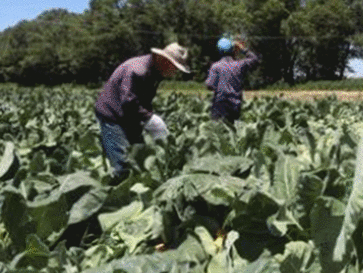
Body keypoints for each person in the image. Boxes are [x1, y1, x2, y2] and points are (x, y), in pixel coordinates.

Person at [94, 43, 190, 182]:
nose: (174, 72)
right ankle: (115, 195)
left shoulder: (154, 71)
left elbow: (143, 99)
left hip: (128, 116)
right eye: (174, 67)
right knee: (123, 165)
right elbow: (128, 101)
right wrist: (150, 118)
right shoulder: (138, 70)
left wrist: (148, 118)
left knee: (137, 158)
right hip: (112, 116)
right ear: (164, 60)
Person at [204, 35, 258, 123]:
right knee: (232, 131)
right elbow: (254, 59)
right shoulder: (239, 65)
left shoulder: (215, 66)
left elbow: (210, 86)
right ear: (233, 51)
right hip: (235, 105)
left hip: (220, 104)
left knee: (218, 130)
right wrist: (242, 49)